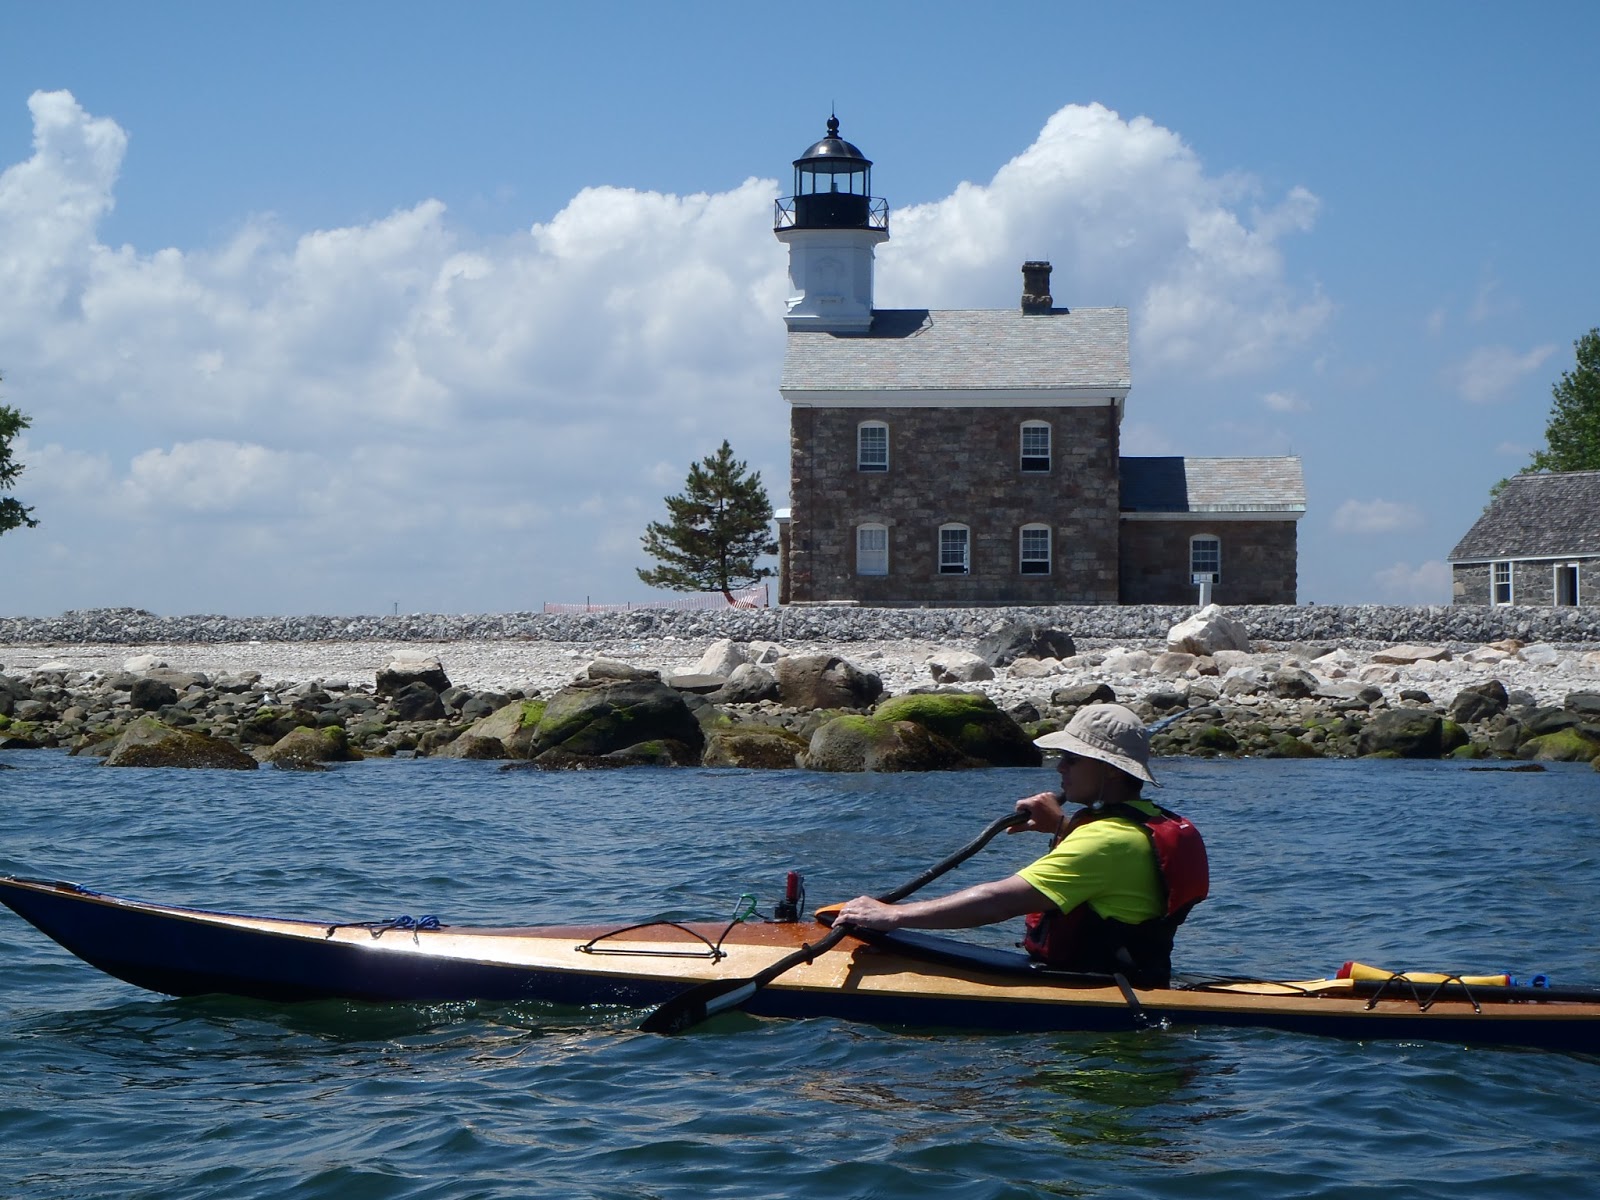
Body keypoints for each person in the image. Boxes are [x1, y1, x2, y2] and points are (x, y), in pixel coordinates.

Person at [834, 702, 1208, 988]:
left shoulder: (1106, 840)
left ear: (1109, 769)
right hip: (1125, 978)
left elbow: (999, 901)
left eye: (1071, 759)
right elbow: (1109, 876)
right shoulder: (1141, 823)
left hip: (1091, 1039)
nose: (1059, 768)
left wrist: (892, 916)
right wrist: (1059, 826)